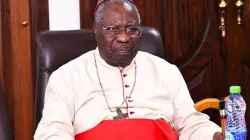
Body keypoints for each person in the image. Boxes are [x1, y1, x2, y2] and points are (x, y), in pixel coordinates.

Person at [34, 0, 225, 139]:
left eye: (132, 29)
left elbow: (191, 124)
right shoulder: (67, 77)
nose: (124, 37)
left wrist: (214, 135)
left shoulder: (166, 71)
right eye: (113, 29)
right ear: (96, 29)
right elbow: (53, 133)